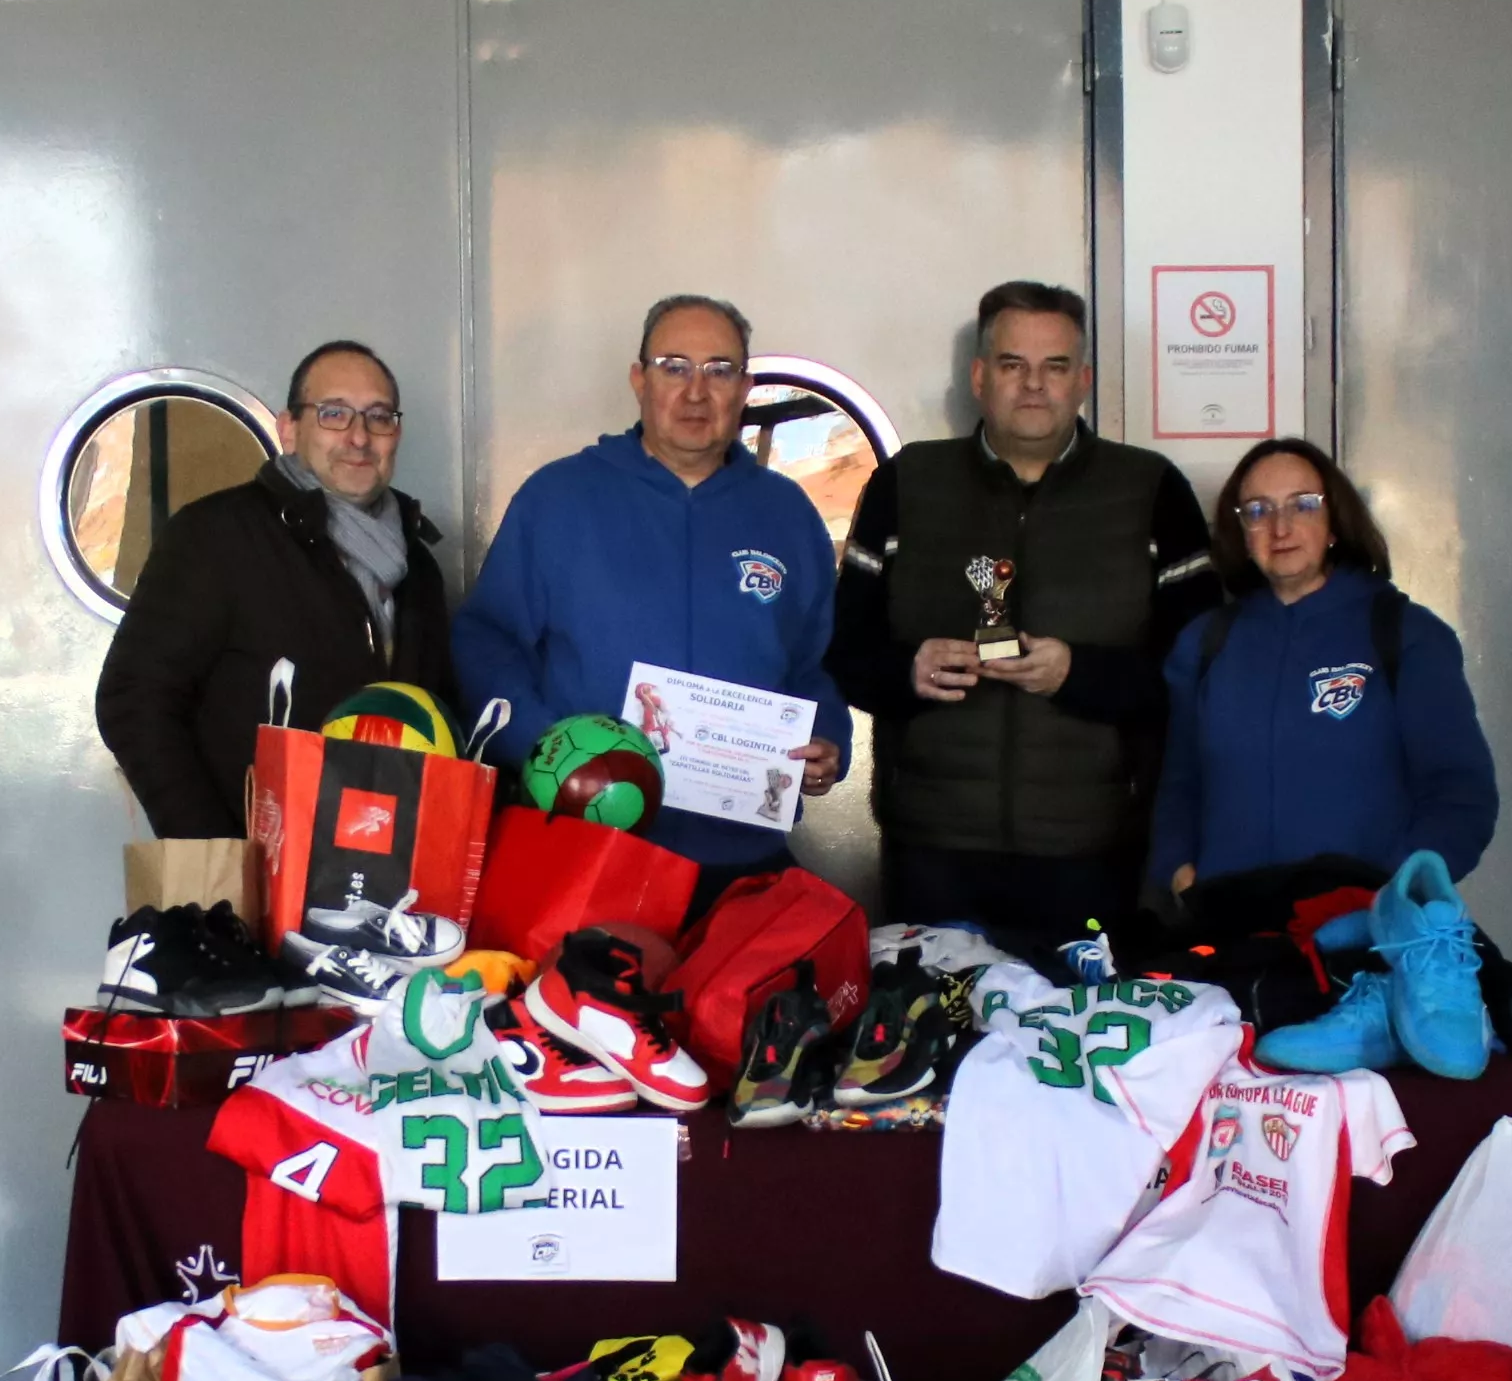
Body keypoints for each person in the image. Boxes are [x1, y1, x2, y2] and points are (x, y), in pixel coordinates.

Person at [827, 280, 1216, 933]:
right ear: (980, 377)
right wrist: (908, 672)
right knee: (936, 1034)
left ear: (1083, 379)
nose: (1034, 384)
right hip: (932, 851)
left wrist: (1078, 675)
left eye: (1055, 366)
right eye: (1013, 364)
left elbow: (1202, 670)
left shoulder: (1152, 491)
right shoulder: (907, 482)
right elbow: (843, 648)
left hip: (1094, 853)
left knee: (1078, 1035)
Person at [453, 294, 847, 875]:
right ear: (640, 380)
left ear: (745, 388)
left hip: (742, 857)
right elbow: (486, 642)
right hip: (587, 848)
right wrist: (552, 756)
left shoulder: (787, 515)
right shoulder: (558, 499)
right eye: (674, 367)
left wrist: (827, 740)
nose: (696, 391)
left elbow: (814, 665)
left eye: (719, 370)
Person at [92, 340, 460, 840]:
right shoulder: (216, 536)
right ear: (290, 429)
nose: (359, 437)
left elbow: (436, 713)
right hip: (252, 873)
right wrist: (217, 849)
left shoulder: (419, 567)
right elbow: (133, 700)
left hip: (382, 873)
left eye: (379, 417)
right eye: (334, 414)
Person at [1150, 438, 1497, 901]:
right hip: (1231, 934)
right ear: (1241, 533)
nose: (1280, 527)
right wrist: (1179, 873)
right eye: (1258, 511)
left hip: (1363, 934)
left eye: (1303, 506)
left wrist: (1393, 893)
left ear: (1334, 520)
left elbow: (1459, 792)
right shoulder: (1205, 643)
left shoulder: (1405, 635)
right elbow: (1180, 784)